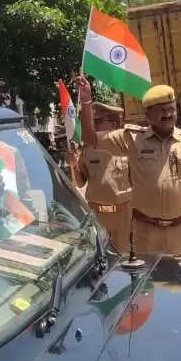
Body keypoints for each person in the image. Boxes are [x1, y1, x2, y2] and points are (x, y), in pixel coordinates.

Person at [77, 75, 181, 253]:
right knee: (149, 280)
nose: (169, 114)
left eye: (172, 109)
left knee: (179, 279)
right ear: (149, 115)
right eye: (162, 110)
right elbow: (90, 139)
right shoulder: (132, 139)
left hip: (180, 231)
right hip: (146, 232)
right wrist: (87, 101)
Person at [66, 102, 133, 253]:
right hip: (97, 215)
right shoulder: (87, 150)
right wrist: (74, 165)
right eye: (93, 122)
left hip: (124, 216)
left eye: (97, 122)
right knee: (100, 256)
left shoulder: (127, 148)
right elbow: (80, 182)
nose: (93, 126)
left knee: (125, 258)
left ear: (113, 123)